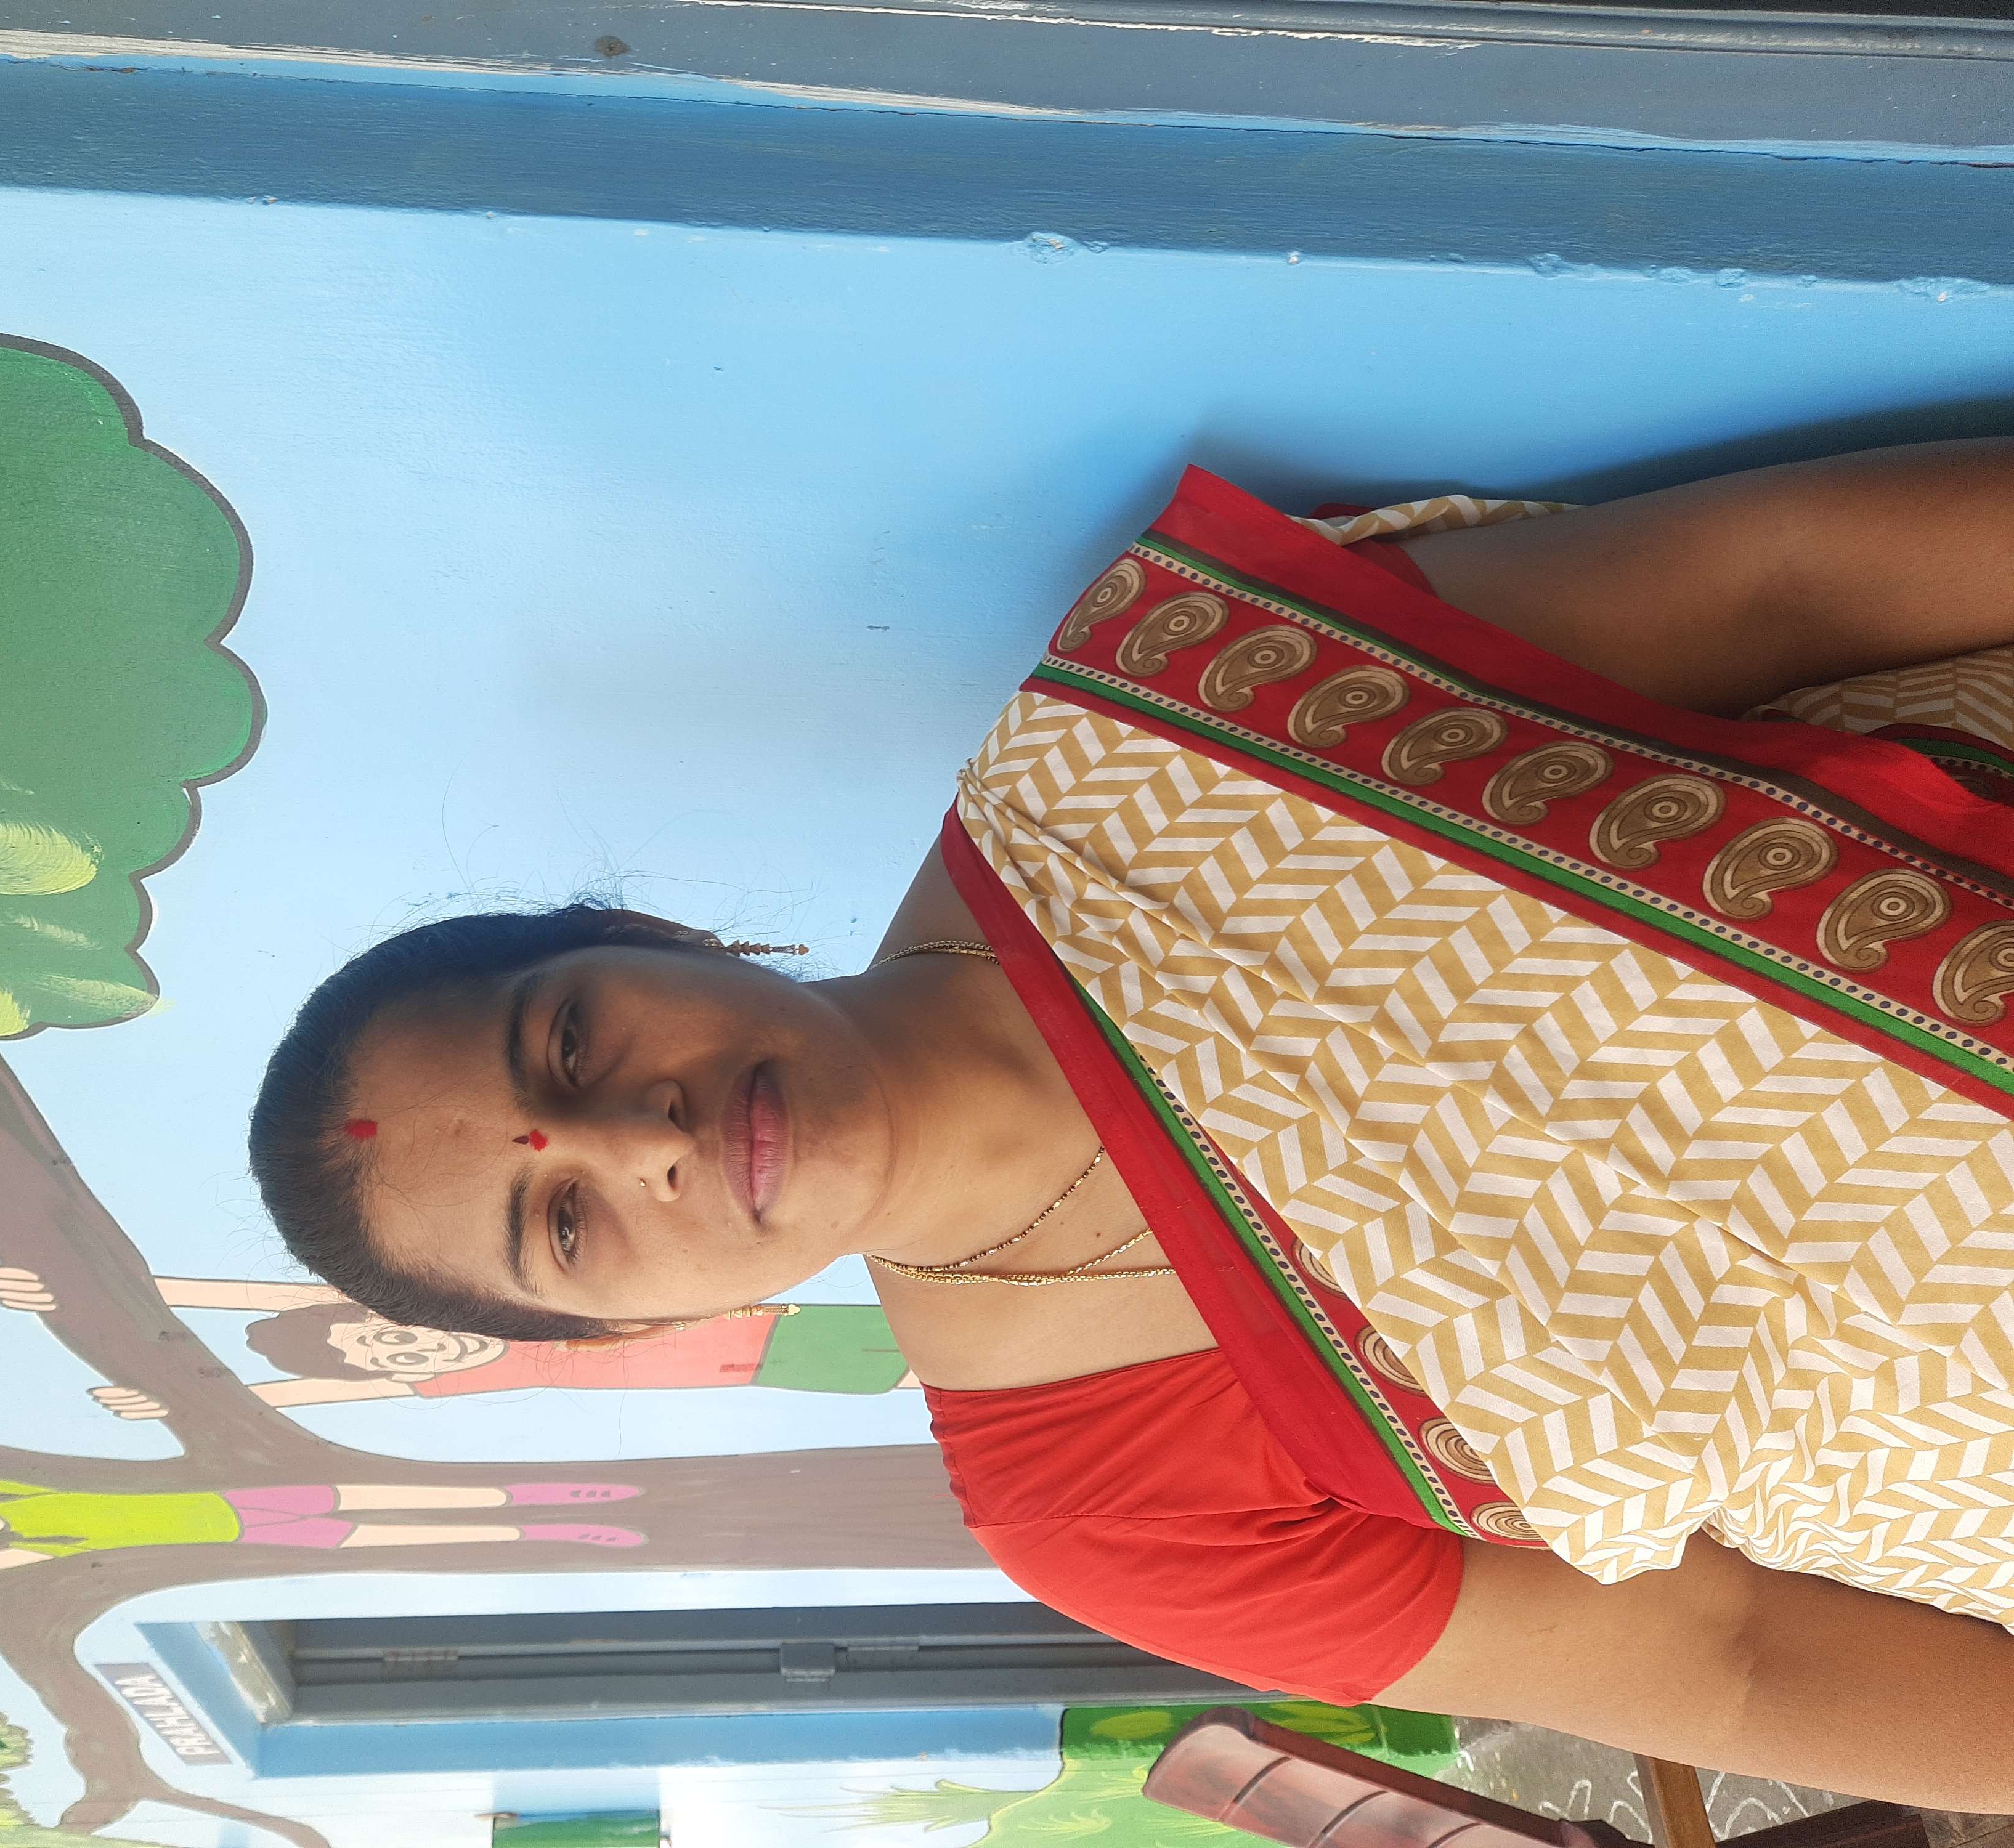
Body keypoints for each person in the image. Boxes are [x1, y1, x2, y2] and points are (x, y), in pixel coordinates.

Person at [248, 440, 2014, 1807]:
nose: (641, 1139)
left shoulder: (1171, 733)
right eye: (565, 1228)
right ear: (644, 1328)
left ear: (654, 933)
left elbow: (1784, 587)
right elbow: (1736, 1660)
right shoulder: (1098, 1505)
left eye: (567, 1040)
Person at [0, 1403, 643, 1592]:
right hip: (255, 1536)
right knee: (422, 1536)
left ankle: (564, 1494)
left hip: (258, 1493)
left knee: (444, 1499)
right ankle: (568, 1532)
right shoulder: (9, 1544)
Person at [0, 1267, 914, 1411]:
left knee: (922, 1327)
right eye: (389, 1365)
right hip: (762, 1369)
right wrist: (181, 1396)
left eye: (390, 1339)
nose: (412, 1354)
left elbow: (252, 1296)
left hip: (772, 1322)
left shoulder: (466, 1303)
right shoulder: (455, 1383)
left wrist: (95, 1288)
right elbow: (299, 1393)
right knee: (919, 1375)